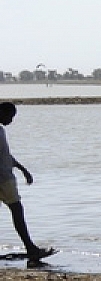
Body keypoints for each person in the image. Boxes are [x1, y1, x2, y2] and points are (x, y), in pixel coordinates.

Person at [0, 102, 53, 266]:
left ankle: (31, 248)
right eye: (10, 116)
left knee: (16, 211)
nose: (11, 120)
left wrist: (23, 169)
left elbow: (6, 155)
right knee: (17, 210)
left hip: (5, 176)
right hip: (3, 179)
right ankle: (31, 248)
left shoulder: (0, 130)